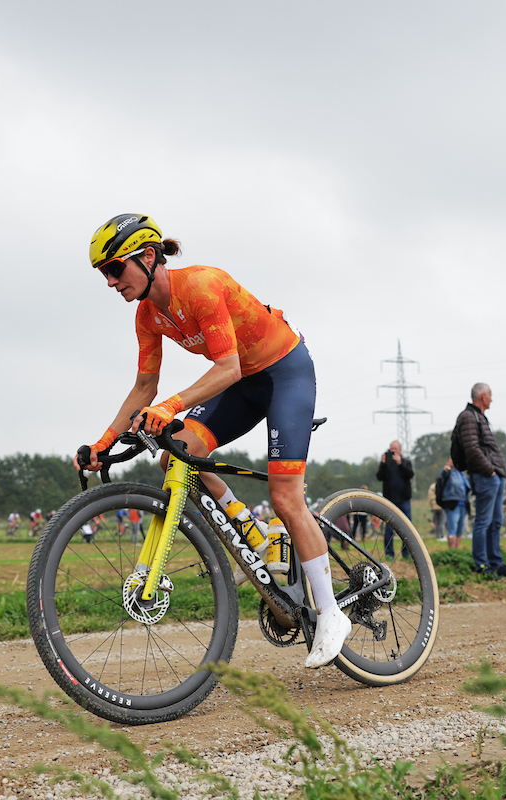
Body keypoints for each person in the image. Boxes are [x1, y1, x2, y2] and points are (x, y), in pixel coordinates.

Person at [75, 212, 351, 669]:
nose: (109, 282)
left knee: (285, 495)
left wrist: (170, 407)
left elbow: (227, 368)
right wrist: (104, 441)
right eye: (103, 273)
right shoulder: (147, 315)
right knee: (177, 458)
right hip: (241, 385)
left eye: (113, 269)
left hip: (284, 373)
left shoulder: (200, 286)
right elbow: (145, 387)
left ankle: (331, 613)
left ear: (147, 258)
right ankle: (255, 532)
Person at [455, 384, 506, 575]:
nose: (492, 399)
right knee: (483, 522)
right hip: (486, 476)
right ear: (483, 396)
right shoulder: (469, 416)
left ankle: (496, 563)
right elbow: (472, 449)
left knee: (496, 522)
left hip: (494, 476)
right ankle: (482, 565)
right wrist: (491, 471)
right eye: (491, 395)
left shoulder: (479, 416)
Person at [375, 441, 414, 558]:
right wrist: (383, 463)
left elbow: (410, 475)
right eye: (392, 448)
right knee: (389, 528)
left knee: (407, 527)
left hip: (404, 499)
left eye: (396, 448)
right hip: (390, 501)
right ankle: (389, 553)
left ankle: (406, 553)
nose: (393, 450)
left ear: (400, 450)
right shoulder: (386, 464)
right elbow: (379, 477)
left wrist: (400, 463)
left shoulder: (406, 462)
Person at [437, 458, 468, 550]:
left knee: (460, 527)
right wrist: (446, 469)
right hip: (452, 503)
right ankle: (451, 551)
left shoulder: (462, 473)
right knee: (452, 526)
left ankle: (457, 550)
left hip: (463, 503)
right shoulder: (448, 471)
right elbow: (443, 473)